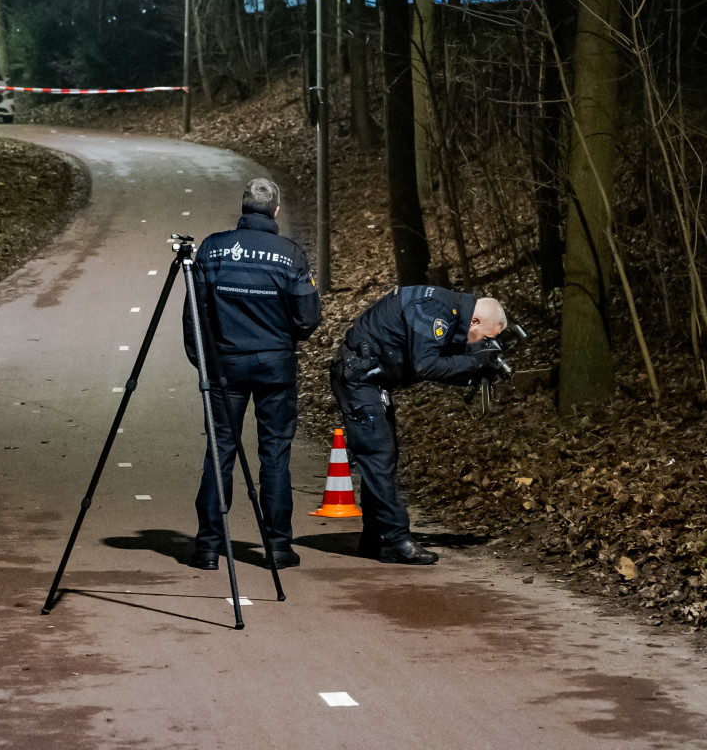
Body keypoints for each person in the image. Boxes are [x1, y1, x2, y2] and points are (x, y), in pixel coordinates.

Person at [184, 178, 322, 571]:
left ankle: (208, 546)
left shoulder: (212, 249)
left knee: (220, 451)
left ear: (243, 208)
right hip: (275, 366)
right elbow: (307, 317)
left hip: (226, 366)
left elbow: (194, 313)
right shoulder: (290, 255)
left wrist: (204, 361)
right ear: (275, 211)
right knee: (275, 454)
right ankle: (277, 547)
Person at [330, 285, 507, 565]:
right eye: (484, 338)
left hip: (369, 377)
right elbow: (426, 365)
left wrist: (475, 370)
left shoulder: (449, 311)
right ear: (475, 321)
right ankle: (397, 540)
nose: (478, 344)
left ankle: (375, 539)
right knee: (378, 455)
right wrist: (473, 364)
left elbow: (440, 360)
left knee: (383, 458)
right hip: (359, 377)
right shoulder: (437, 310)